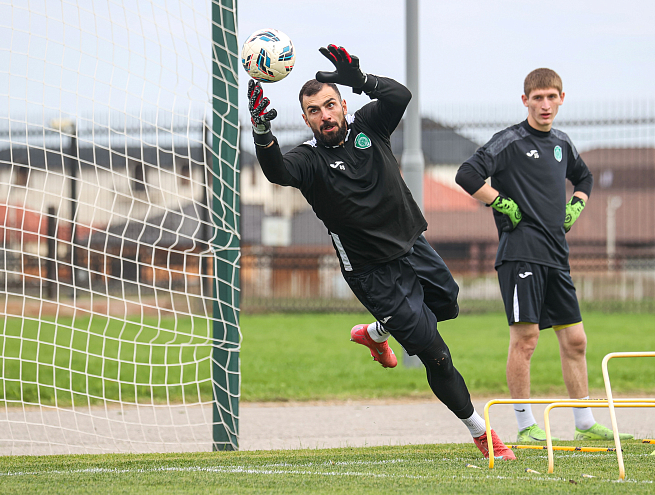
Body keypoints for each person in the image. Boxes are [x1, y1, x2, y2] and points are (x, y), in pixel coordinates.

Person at [247, 43, 516, 460]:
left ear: (343, 105)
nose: (325, 115)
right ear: (305, 119)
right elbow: (277, 171)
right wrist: (262, 132)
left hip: (413, 245)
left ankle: (375, 334)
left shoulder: (369, 126)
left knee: (447, 304)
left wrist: (361, 80)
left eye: (330, 105)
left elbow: (399, 96)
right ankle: (481, 433)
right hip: (372, 273)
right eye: (314, 111)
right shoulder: (308, 159)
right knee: (436, 355)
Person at [455, 68, 633, 443]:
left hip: (556, 255)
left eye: (552, 96)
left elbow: (584, 178)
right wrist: (501, 202)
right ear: (525, 101)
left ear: (562, 99)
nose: (545, 104)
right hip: (520, 255)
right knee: (527, 339)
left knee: (577, 340)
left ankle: (585, 423)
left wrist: (576, 206)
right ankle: (525, 426)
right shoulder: (509, 141)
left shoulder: (562, 143)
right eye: (538, 98)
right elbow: (467, 174)